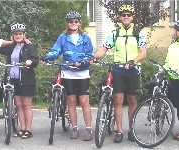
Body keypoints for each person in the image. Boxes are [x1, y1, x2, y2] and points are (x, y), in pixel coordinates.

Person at [94, 4, 147, 143]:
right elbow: (104, 49)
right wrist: (93, 58)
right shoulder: (115, 33)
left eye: (128, 15)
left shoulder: (138, 33)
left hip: (133, 69)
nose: (126, 17)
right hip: (118, 69)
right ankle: (119, 131)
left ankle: (131, 130)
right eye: (123, 15)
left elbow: (143, 53)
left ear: (132, 17)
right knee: (118, 100)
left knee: (131, 100)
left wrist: (134, 61)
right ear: (120, 17)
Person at [44, 11, 94, 141]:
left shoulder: (85, 37)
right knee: (71, 101)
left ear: (79, 23)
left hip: (83, 72)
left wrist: (83, 62)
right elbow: (56, 50)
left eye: (76, 21)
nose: (73, 24)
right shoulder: (63, 37)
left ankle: (89, 129)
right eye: (71, 22)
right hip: (68, 71)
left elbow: (90, 54)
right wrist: (47, 57)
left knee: (84, 102)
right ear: (68, 23)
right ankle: (74, 128)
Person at [0, 23, 38, 139]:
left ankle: (28, 130)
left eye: (20, 34)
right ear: (13, 36)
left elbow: (36, 60)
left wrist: (30, 62)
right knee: (18, 105)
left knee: (27, 105)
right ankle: (23, 128)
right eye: (16, 34)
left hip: (26, 79)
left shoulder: (29, 46)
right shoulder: (10, 47)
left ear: (24, 35)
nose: (18, 36)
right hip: (12, 79)